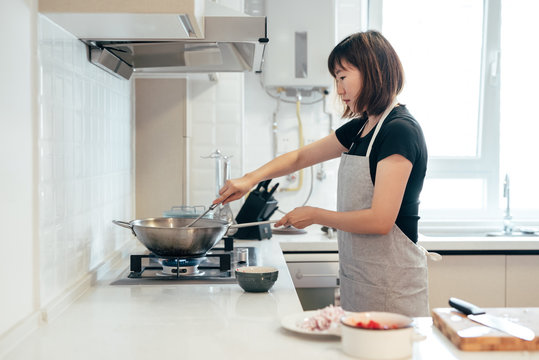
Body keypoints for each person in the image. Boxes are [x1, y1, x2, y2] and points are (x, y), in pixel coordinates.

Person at [214, 30, 433, 317]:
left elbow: (380, 220)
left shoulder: (399, 131)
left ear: (372, 71)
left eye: (342, 77)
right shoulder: (361, 127)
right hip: (362, 282)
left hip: (393, 290)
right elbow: (300, 157)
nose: (339, 89)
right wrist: (249, 179)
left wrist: (315, 215)